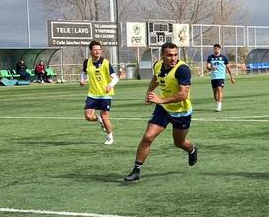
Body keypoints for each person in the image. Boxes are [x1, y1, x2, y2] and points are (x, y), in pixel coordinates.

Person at [123, 42, 198, 182]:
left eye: (175, 55)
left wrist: (160, 100)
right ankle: (136, 171)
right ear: (162, 55)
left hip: (181, 112)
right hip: (163, 109)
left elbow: (183, 95)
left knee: (179, 143)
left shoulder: (182, 70)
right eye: (169, 55)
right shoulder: (157, 65)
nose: (173, 58)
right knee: (148, 137)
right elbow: (156, 78)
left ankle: (192, 149)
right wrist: (149, 92)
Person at [80, 40, 117, 145]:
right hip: (92, 94)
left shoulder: (105, 63)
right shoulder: (87, 62)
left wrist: (110, 85)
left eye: (99, 50)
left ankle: (110, 136)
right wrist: (82, 80)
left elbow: (115, 78)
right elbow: (84, 73)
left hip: (105, 95)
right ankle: (98, 119)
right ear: (90, 51)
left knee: (106, 117)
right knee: (88, 116)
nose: (97, 52)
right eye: (95, 50)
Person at [205, 44, 236, 112]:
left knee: (219, 90)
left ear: (220, 49)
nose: (217, 50)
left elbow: (228, 68)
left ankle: (219, 106)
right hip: (213, 77)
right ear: (213, 49)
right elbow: (207, 66)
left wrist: (232, 77)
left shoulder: (224, 58)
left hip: (221, 77)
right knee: (215, 94)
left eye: (218, 49)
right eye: (215, 49)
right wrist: (211, 68)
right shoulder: (210, 57)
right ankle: (218, 102)